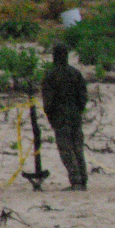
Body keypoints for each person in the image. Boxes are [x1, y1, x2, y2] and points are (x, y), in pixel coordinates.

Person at [39, 43, 89, 190]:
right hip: (75, 116)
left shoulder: (51, 75)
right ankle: (83, 179)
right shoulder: (75, 73)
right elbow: (83, 97)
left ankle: (76, 181)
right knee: (78, 148)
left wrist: (51, 116)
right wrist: (78, 111)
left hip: (60, 118)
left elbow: (48, 100)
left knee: (66, 150)